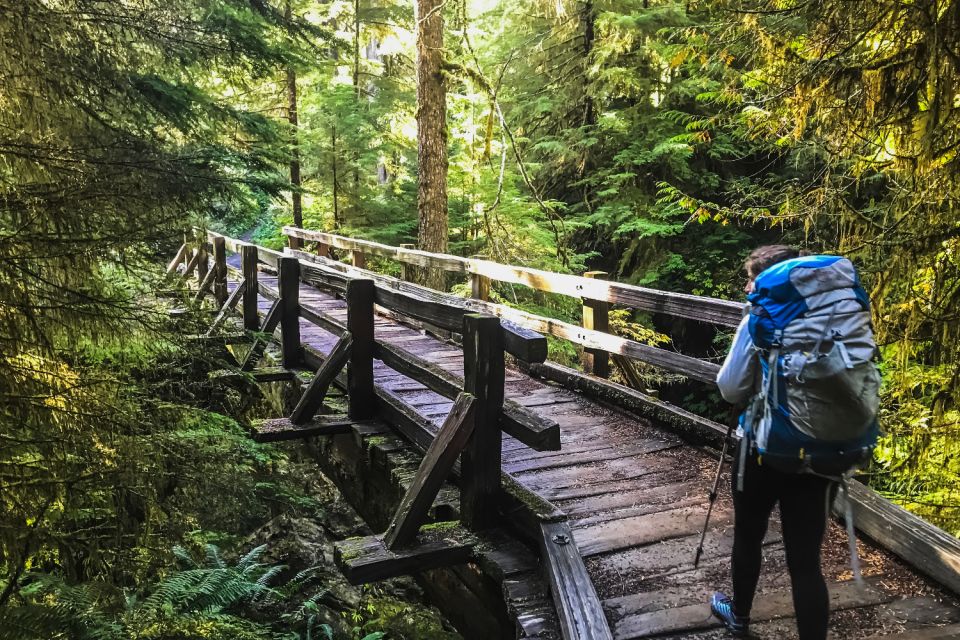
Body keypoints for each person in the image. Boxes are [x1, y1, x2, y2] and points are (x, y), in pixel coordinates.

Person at [710, 245, 838, 640]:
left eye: (752, 277)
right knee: (805, 562)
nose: (748, 286)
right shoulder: (833, 319)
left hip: (762, 450)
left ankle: (741, 616)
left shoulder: (759, 321)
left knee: (749, 535)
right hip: (819, 454)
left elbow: (730, 389)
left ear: (769, 281)